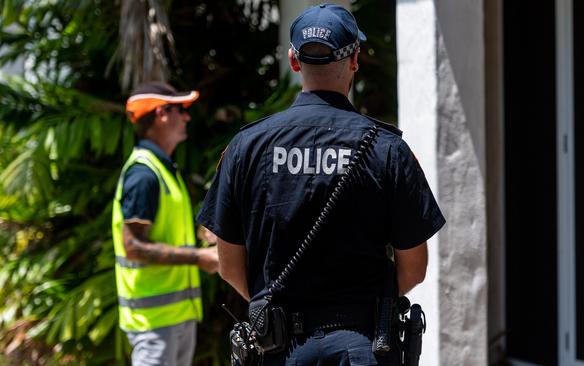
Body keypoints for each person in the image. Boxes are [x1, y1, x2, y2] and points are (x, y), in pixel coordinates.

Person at [197, 3, 445, 365]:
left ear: (294, 61)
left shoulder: (246, 147)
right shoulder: (388, 149)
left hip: (277, 350)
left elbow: (229, 266)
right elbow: (414, 268)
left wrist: (276, 309)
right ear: (355, 59)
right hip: (362, 347)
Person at [112, 82, 220, 366]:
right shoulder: (144, 174)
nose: (187, 117)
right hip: (153, 323)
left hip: (175, 317)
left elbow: (165, 229)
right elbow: (133, 246)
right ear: (161, 113)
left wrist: (202, 234)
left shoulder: (163, 169)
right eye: (181, 110)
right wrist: (199, 257)